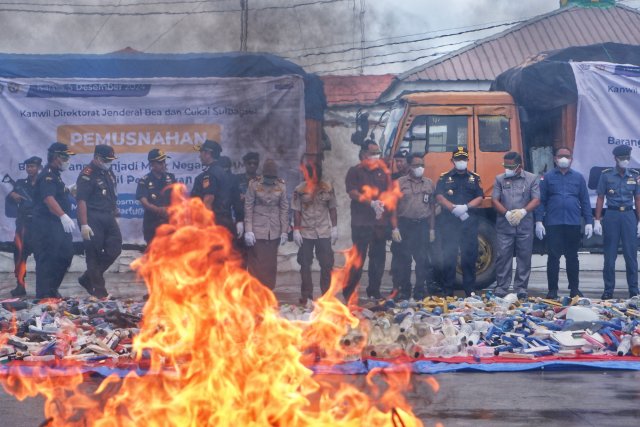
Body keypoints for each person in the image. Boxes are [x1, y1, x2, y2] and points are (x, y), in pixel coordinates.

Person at [535, 147, 593, 299]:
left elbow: (585, 201)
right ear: (555, 158)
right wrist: (539, 221)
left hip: (572, 223)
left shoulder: (579, 177)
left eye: (567, 156)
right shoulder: (547, 177)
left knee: (572, 257)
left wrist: (589, 222)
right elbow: (541, 201)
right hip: (553, 223)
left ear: (571, 159)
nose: (564, 159)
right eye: (561, 156)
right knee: (553, 257)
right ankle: (552, 290)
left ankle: (574, 289)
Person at [344, 140, 390, 301]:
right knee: (358, 259)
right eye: (373, 153)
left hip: (379, 223)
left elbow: (389, 192)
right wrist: (370, 202)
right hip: (361, 222)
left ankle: (374, 291)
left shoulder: (382, 172)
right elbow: (352, 192)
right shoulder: (355, 171)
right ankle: (349, 293)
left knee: (378, 259)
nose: (376, 156)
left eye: (378, 153)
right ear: (363, 154)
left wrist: (384, 203)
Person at [435, 147, 484, 297]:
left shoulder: (475, 177)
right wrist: (452, 208)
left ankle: (470, 290)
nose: (461, 162)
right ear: (452, 160)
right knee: (449, 255)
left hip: (468, 222)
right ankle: (448, 290)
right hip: (449, 222)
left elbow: (480, 197)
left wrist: (466, 207)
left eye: (464, 159)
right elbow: (439, 197)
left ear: (468, 160)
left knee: (469, 256)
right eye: (458, 159)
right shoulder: (444, 177)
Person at [491, 152, 540, 300]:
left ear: (519, 166)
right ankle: (501, 287)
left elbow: (536, 199)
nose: (507, 168)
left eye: (510, 166)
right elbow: (494, 200)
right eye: (505, 165)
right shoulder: (499, 179)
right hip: (504, 227)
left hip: (524, 226)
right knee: (502, 257)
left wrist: (522, 212)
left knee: (524, 259)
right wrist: (506, 214)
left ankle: (521, 289)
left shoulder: (532, 178)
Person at [594, 145, 640, 300]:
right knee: (610, 255)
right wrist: (597, 219)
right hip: (612, 214)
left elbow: (638, 199)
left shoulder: (635, 175)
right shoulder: (606, 175)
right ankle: (608, 289)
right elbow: (600, 197)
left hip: (629, 215)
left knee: (631, 254)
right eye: (623, 158)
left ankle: (634, 289)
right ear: (616, 159)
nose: (625, 161)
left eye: (628, 158)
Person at [75, 145, 121, 298]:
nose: (109, 162)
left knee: (115, 248)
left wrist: (116, 215)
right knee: (93, 254)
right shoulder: (87, 175)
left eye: (110, 160)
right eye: (106, 160)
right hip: (92, 217)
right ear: (97, 158)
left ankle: (88, 277)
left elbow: (112, 195)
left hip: (108, 216)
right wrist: (84, 224)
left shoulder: (108, 172)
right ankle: (100, 291)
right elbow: (81, 200)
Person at [32, 143, 76, 299]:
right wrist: (63, 215)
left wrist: (67, 190)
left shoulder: (55, 174)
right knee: (48, 257)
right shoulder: (48, 175)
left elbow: (57, 192)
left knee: (66, 254)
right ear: (56, 158)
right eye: (65, 157)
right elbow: (49, 199)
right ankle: (44, 294)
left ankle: (52, 288)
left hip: (57, 225)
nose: (67, 160)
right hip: (47, 223)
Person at [390, 153, 435, 300]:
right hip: (405, 226)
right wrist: (395, 228)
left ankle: (419, 290)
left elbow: (432, 208)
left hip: (422, 226)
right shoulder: (400, 183)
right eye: (416, 165)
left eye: (422, 165)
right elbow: (393, 207)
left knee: (422, 261)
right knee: (404, 260)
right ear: (410, 166)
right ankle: (405, 289)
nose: (420, 168)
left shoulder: (429, 183)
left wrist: (431, 229)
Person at [292, 163, 338, 303]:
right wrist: (296, 230)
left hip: (323, 232)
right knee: (305, 264)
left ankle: (326, 296)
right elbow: (297, 211)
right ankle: (306, 295)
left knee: (327, 264)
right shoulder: (299, 190)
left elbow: (332, 209)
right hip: (306, 233)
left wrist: (335, 228)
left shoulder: (327, 188)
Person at [244, 159, 289, 290]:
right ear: (263, 174)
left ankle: (268, 292)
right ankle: (254, 292)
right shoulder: (254, 184)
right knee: (256, 263)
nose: (270, 179)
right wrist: (248, 230)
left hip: (274, 230)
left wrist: (284, 231)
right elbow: (248, 208)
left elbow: (284, 209)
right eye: (268, 177)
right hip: (257, 230)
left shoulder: (281, 186)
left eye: (273, 177)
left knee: (270, 264)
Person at [7, 156, 42, 296]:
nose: (30, 169)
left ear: (39, 167)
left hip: (39, 224)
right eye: (28, 167)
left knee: (42, 257)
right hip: (23, 225)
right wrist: (13, 195)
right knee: (20, 256)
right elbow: (10, 200)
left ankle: (43, 287)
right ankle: (20, 285)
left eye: (32, 166)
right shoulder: (21, 183)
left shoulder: (43, 182)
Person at [191, 140, 241, 236]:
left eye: (201, 153)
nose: (199, 156)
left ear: (207, 154)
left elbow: (209, 199)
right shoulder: (222, 172)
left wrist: (205, 225)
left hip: (214, 221)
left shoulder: (211, 173)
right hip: (224, 220)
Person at [136, 149, 177, 244]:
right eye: (160, 163)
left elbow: (177, 196)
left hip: (170, 222)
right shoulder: (144, 181)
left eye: (164, 162)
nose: (164, 165)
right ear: (152, 164)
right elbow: (144, 202)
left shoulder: (171, 177)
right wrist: (158, 210)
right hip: (153, 223)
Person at [235, 152, 260, 265]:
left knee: (256, 255)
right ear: (245, 164)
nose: (252, 166)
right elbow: (231, 197)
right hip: (240, 219)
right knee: (240, 255)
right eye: (250, 163)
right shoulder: (237, 179)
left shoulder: (261, 181)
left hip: (256, 221)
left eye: (255, 163)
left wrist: (248, 198)